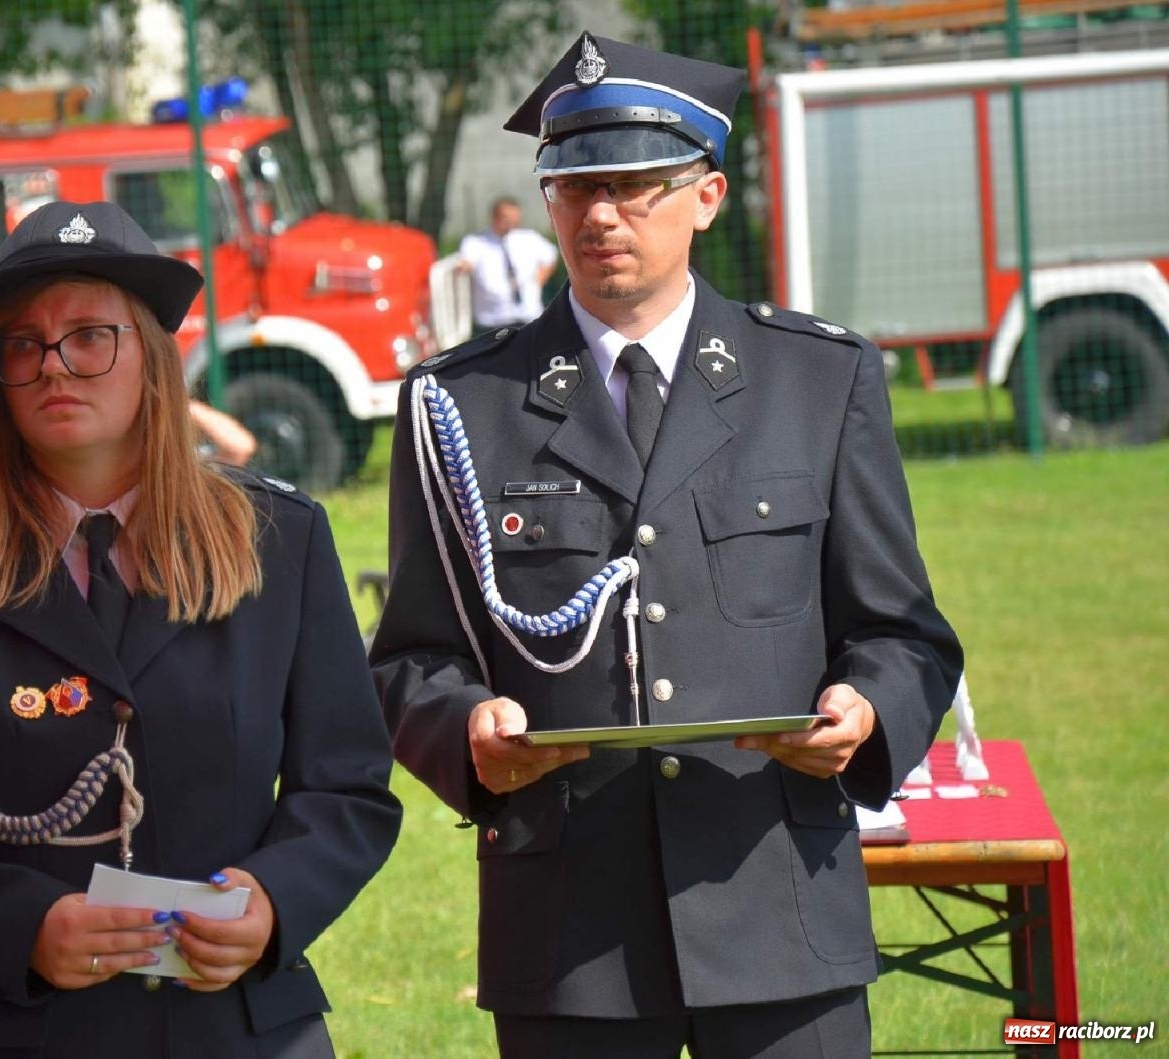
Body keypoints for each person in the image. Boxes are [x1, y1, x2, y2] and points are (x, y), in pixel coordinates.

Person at [369, 31, 962, 1058]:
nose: (601, 214)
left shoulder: (816, 382)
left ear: (707, 197)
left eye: (638, 185)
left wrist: (863, 714)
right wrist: (462, 729)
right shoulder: (459, 404)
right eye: (574, 186)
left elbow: (902, 634)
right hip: (568, 929)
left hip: (777, 900)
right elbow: (411, 658)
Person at [0, 200, 401, 1057]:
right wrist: (23, 926)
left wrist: (274, 901)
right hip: (7, 1030)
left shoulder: (278, 541)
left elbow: (346, 785)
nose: (54, 365)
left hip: (232, 1028)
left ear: (153, 358)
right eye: (22, 343)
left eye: (90, 334)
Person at [458, 195, 559, 337]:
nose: (511, 222)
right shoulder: (476, 242)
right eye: (506, 217)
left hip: (528, 317)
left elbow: (550, 256)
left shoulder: (529, 238)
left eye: (515, 217)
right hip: (492, 320)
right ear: (494, 217)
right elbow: (465, 263)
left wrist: (538, 281)